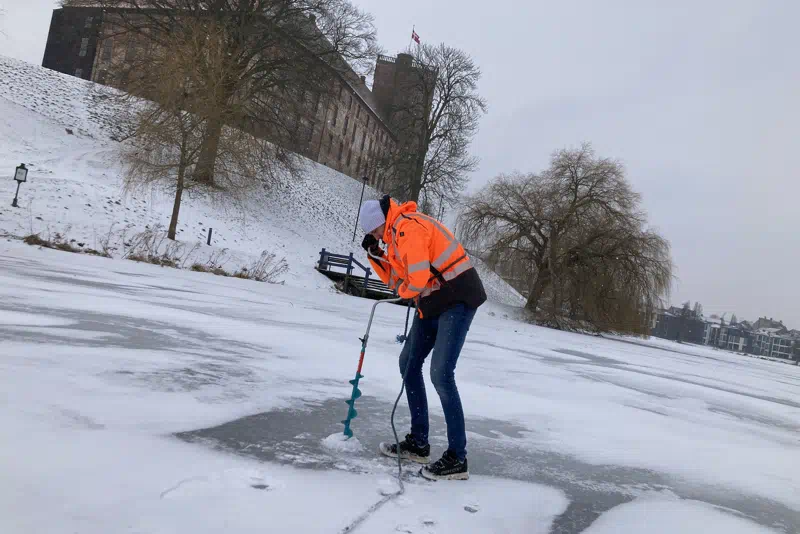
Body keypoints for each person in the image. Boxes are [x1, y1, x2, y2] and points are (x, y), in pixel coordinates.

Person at [358, 194, 486, 480]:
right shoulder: (394, 237)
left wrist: (406, 292)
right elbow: (397, 281)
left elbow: (413, 282)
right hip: (433, 302)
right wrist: (375, 255)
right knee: (408, 363)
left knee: (441, 374)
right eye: (372, 235)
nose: (376, 236)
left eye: (374, 232)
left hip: (457, 298)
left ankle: (457, 458)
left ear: (381, 223)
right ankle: (419, 442)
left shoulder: (408, 227)